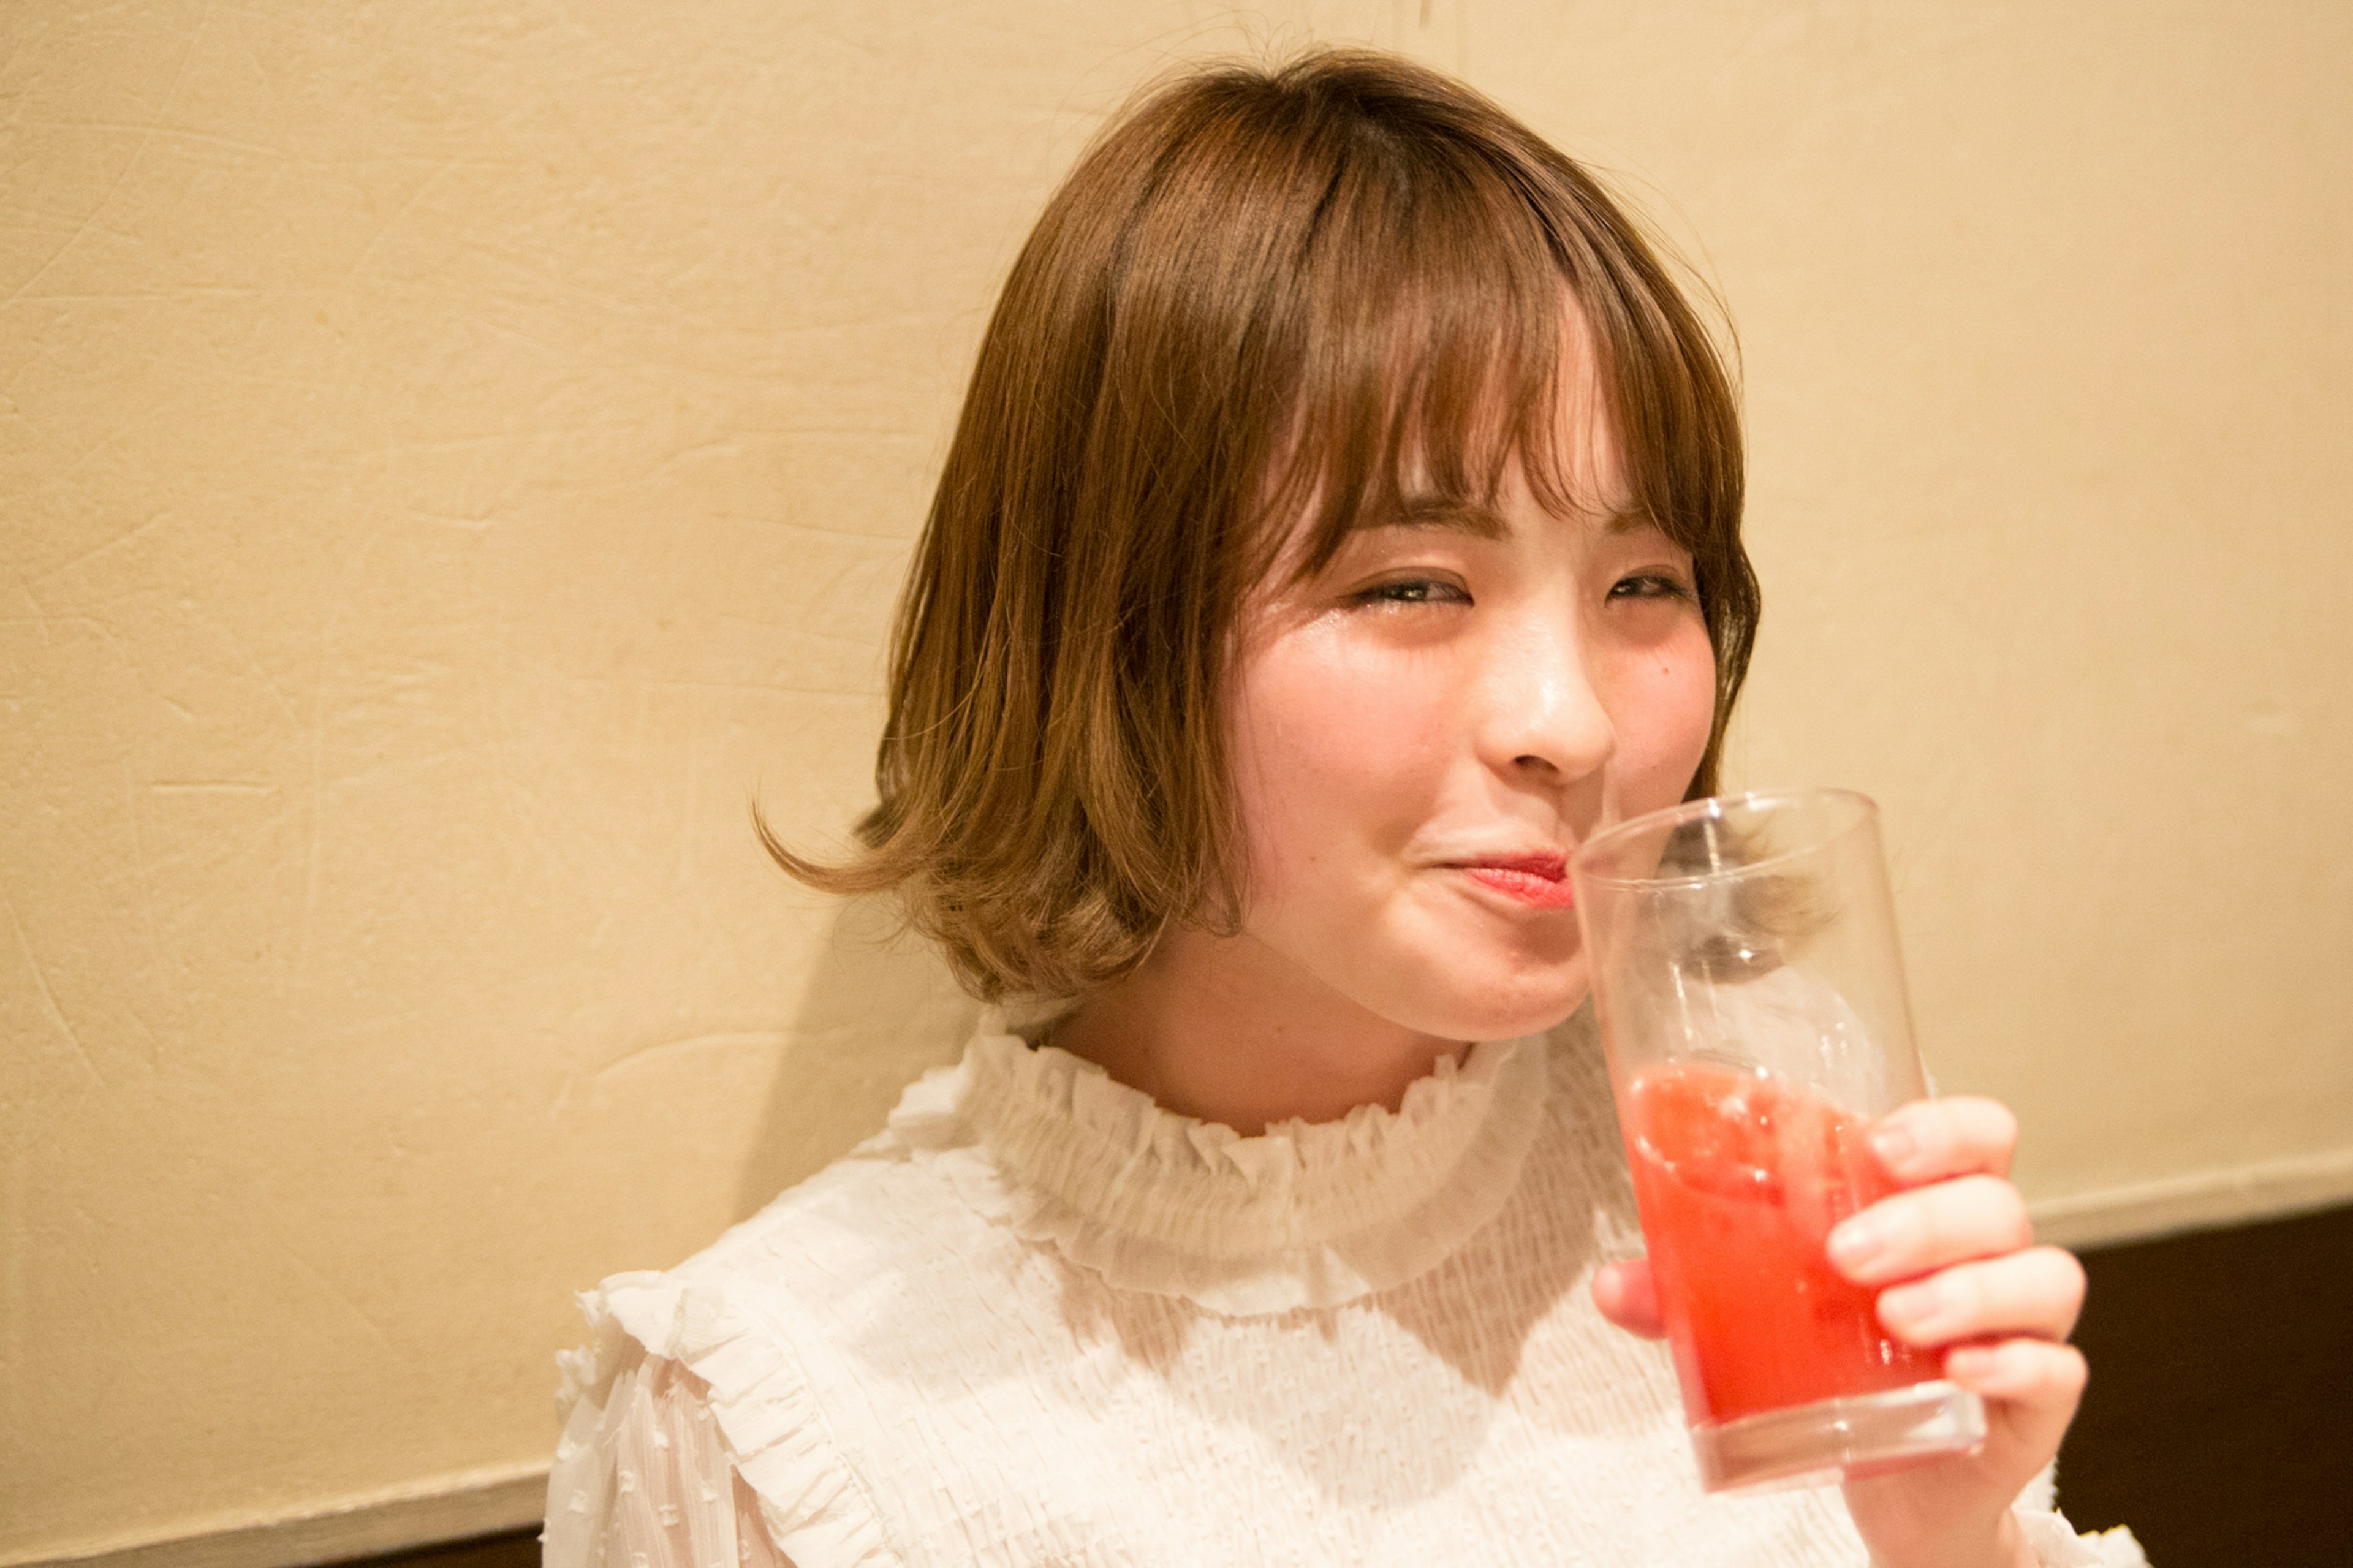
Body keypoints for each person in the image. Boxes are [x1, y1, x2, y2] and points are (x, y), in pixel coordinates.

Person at [542, 50, 2144, 1568]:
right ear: (1116, 627)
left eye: (1646, 582)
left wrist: (1947, 1543)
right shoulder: (789, 1417)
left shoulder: (1759, 1167)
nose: (1572, 723)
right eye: (1413, 584)